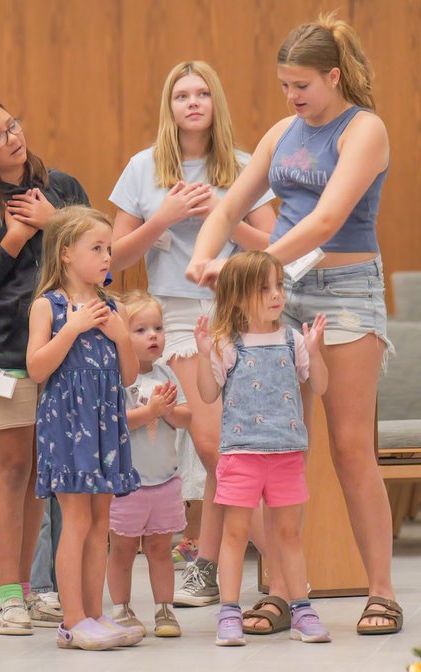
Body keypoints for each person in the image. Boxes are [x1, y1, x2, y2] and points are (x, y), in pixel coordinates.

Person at [188, 12, 400, 636]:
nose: (292, 97)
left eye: (302, 84)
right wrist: (208, 253)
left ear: (334, 76)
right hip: (275, 292)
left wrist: (251, 269)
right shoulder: (284, 130)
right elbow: (230, 205)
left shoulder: (364, 130)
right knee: (279, 445)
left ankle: (381, 592)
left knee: (349, 446)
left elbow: (329, 219)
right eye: (284, 85)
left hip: (344, 291)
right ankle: (285, 591)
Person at [108, 60, 277, 610]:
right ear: (170, 106)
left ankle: (208, 564)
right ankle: (280, 558)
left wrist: (224, 218)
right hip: (177, 315)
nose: (193, 102)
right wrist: (166, 217)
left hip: (240, 310)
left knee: (234, 448)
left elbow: (273, 248)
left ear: (215, 102)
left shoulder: (246, 164)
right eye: (182, 94)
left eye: (203, 92)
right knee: (210, 444)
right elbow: (113, 259)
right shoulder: (142, 168)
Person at [0, 96, 90, 634]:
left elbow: (100, 261)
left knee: (44, 479)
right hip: (8, 355)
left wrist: (56, 225)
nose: (12, 138)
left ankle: (36, 590)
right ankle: (9, 595)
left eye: (13, 125)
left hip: (68, 351)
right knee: (12, 472)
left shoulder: (65, 189)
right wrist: (15, 237)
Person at [195, 251, 330, 646]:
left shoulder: (293, 340)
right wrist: (205, 357)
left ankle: (302, 610)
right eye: (264, 288)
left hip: (287, 454)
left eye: (279, 286)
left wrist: (316, 351)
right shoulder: (227, 344)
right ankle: (229, 615)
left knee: (287, 535)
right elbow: (207, 394)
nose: (276, 295)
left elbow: (319, 386)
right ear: (237, 297)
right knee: (235, 535)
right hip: (241, 455)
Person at [25, 206, 141, 650]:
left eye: (109, 248)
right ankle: (72, 620)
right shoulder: (48, 306)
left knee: (99, 522)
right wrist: (71, 329)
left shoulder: (114, 308)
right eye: (97, 248)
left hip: (105, 425)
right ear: (66, 253)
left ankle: (95, 614)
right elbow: (37, 368)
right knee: (74, 520)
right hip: (68, 425)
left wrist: (121, 337)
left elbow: (129, 376)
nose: (107, 256)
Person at [105, 290, 192, 639]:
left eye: (157, 327)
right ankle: (121, 607)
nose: (153, 335)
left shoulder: (167, 374)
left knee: (160, 549)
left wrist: (168, 411)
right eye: (141, 330)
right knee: (123, 550)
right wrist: (149, 413)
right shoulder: (117, 379)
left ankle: (164, 608)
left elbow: (187, 417)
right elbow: (115, 423)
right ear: (122, 338)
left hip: (165, 481)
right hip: (128, 485)